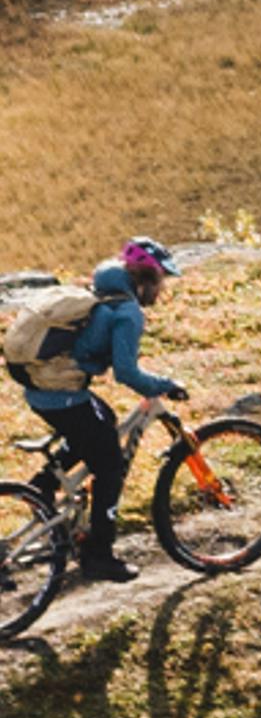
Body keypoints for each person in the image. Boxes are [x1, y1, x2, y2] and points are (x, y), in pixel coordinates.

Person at [26, 238, 183, 583]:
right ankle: (99, 555)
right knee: (109, 466)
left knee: (103, 421)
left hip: (41, 387)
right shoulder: (127, 312)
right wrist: (165, 385)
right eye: (161, 282)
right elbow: (127, 373)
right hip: (61, 394)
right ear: (147, 278)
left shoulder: (102, 289)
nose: (162, 291)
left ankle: (42, 487)